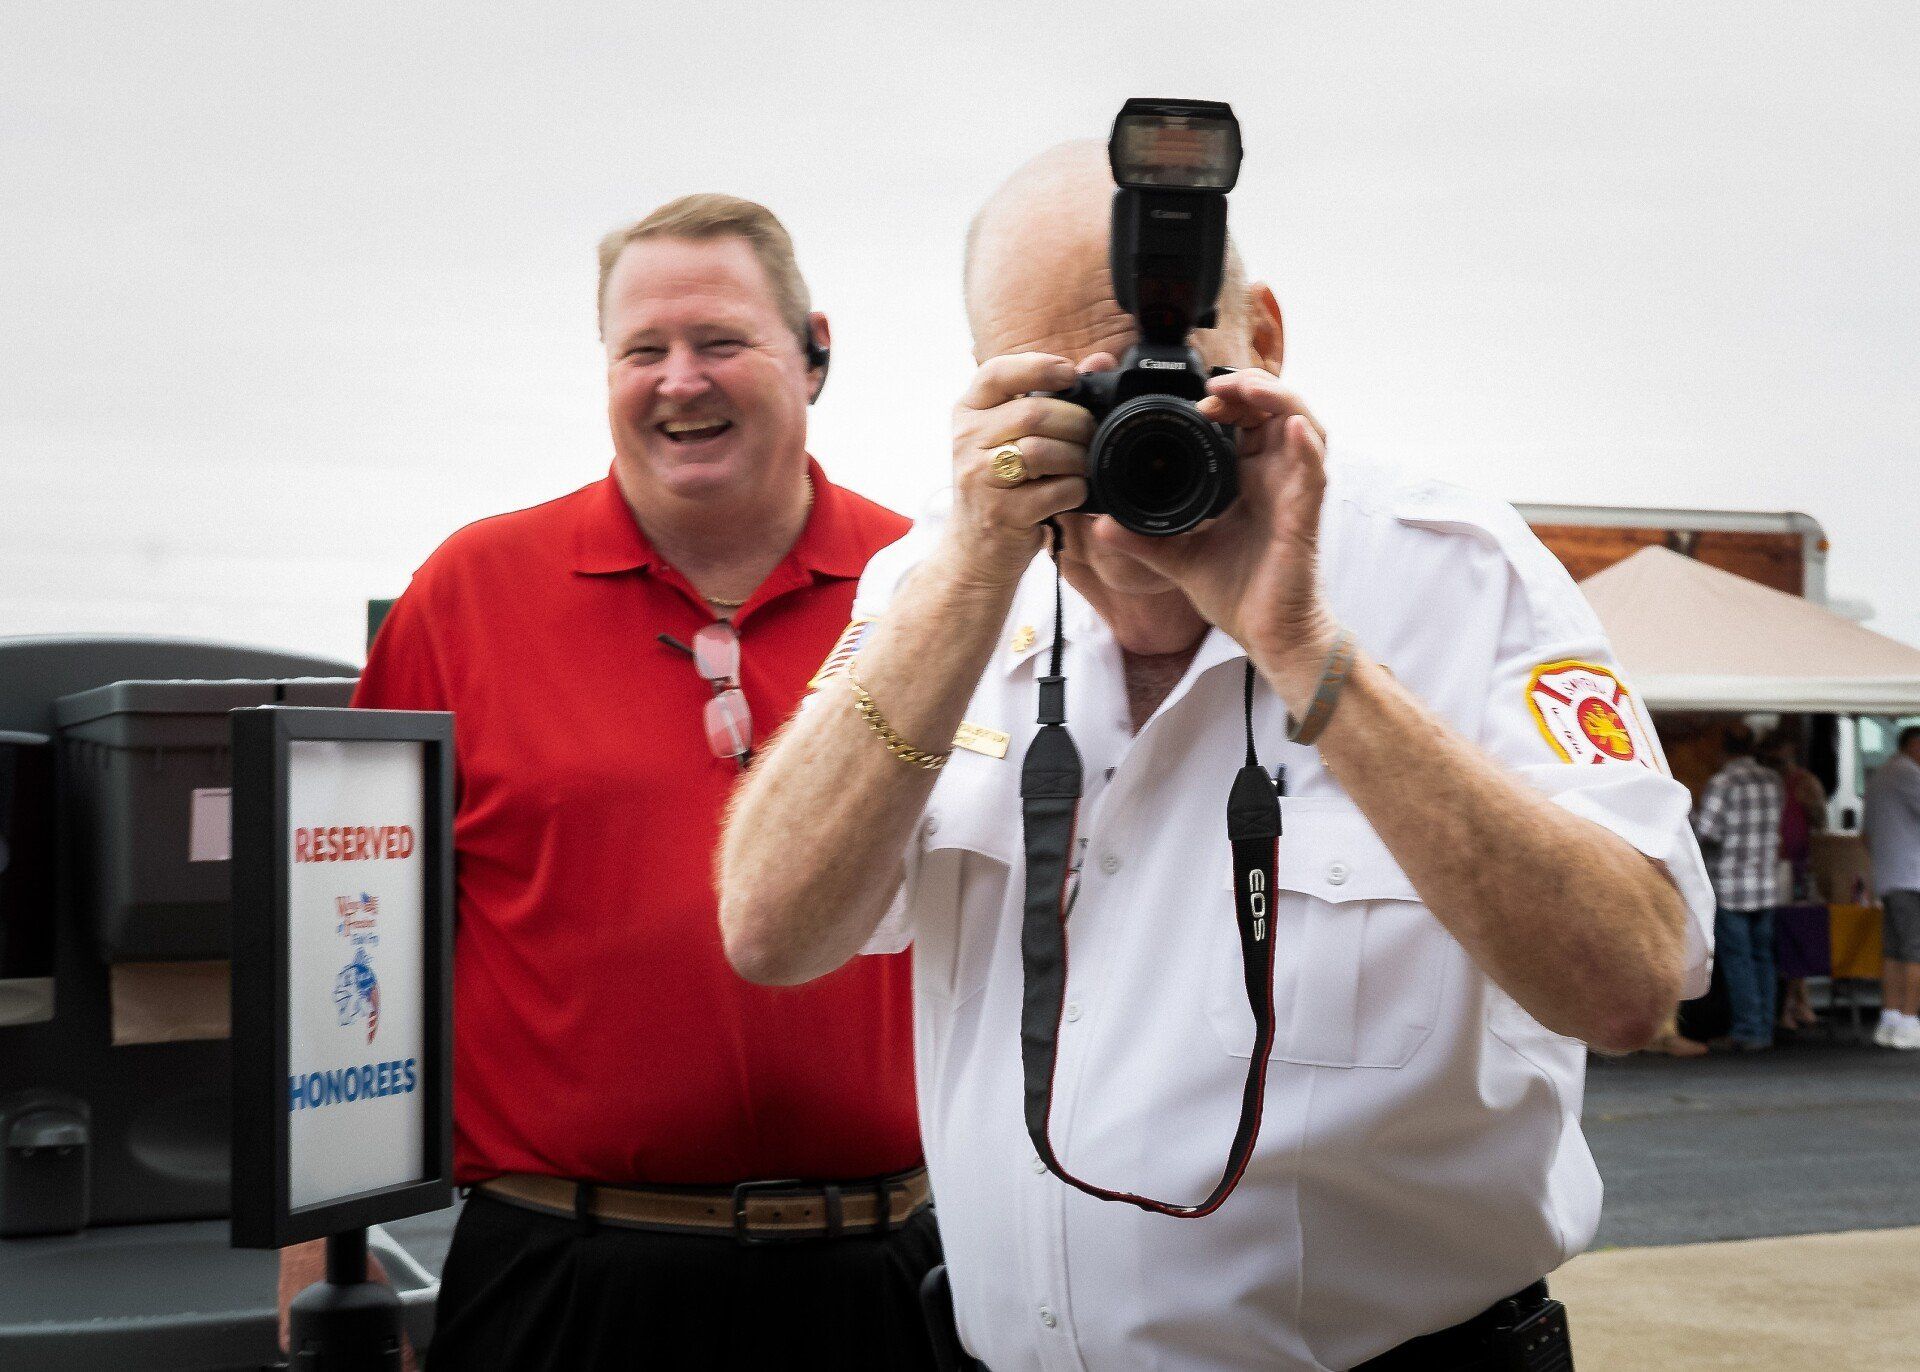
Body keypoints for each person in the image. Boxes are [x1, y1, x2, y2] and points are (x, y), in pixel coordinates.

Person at [717, 142, 1713, 1371]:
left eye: (1172, 378)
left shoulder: (1453, 570)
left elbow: (1629, 982)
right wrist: (971, 577)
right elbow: (770, 931)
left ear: (1271, 338)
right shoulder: (936, 584)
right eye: (1079, 398)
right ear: (992, 390)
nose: (1137, 436)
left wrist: (1309, 654)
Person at [277, 194, 939, 1370]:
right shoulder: (470, 593)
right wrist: (315, 1250)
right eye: (643, 350)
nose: (679, 380)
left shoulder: (934, 595)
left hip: (900, 1274)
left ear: (815, 351)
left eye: (720, 341)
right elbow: (344, 931)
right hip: (563, 1284)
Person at [1694, 723, 1786, 1051]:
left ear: (1723, 749)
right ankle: (1765, 1026)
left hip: (1731, 884)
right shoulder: (1773, 781)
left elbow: (1706, 832)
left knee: (1739, 960)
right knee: (1763, 957)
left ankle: (1749, 1030)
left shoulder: (1723, 783)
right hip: (1765, 883)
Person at [1760, 728, 1827, 1032]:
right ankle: (1794, 1001)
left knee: (1791, 931)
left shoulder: (1804, 782)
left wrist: (1810, 802)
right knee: (1779, 935)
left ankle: (1797, 1000)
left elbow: (1820, 820)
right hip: (1772, 864)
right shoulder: (1765, 783)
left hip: (1793, 864)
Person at [1865, 725, 1920, 1050]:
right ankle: (1911, 1021)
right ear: (1913, 746)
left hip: (1889, 876)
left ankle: (1891, 1018)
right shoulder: (1909, 775)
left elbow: (1864, 834)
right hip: (1912, 876)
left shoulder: (1879, 777)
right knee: (1914, 952)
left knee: (1894, 952)